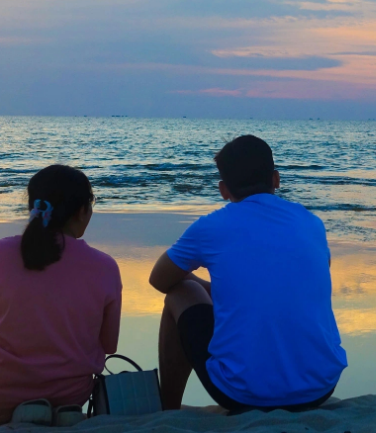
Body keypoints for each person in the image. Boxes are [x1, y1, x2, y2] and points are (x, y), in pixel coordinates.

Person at [149, 135, 347, 412]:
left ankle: (169, 408)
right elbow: (294, 281)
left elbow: (159, 280)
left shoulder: (211, 227)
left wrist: (203, 287)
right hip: (320, 387)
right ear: (276, 179)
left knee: (179, 292)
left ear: (223, 189)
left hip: (242, 395)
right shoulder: (311, 223)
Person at [0, 165, 122, 425]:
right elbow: (109, 344)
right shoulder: (105, 266)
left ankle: (23, 409)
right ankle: (61, 411)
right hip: (70, 392)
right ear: (82, 211)